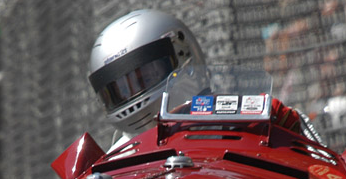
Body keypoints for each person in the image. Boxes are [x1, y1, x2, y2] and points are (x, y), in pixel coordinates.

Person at [89, 9, 312, 148]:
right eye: (119, 90)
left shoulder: (248, 117)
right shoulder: (112, 165)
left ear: (182, 53)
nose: (134, 93)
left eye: (147, 75)